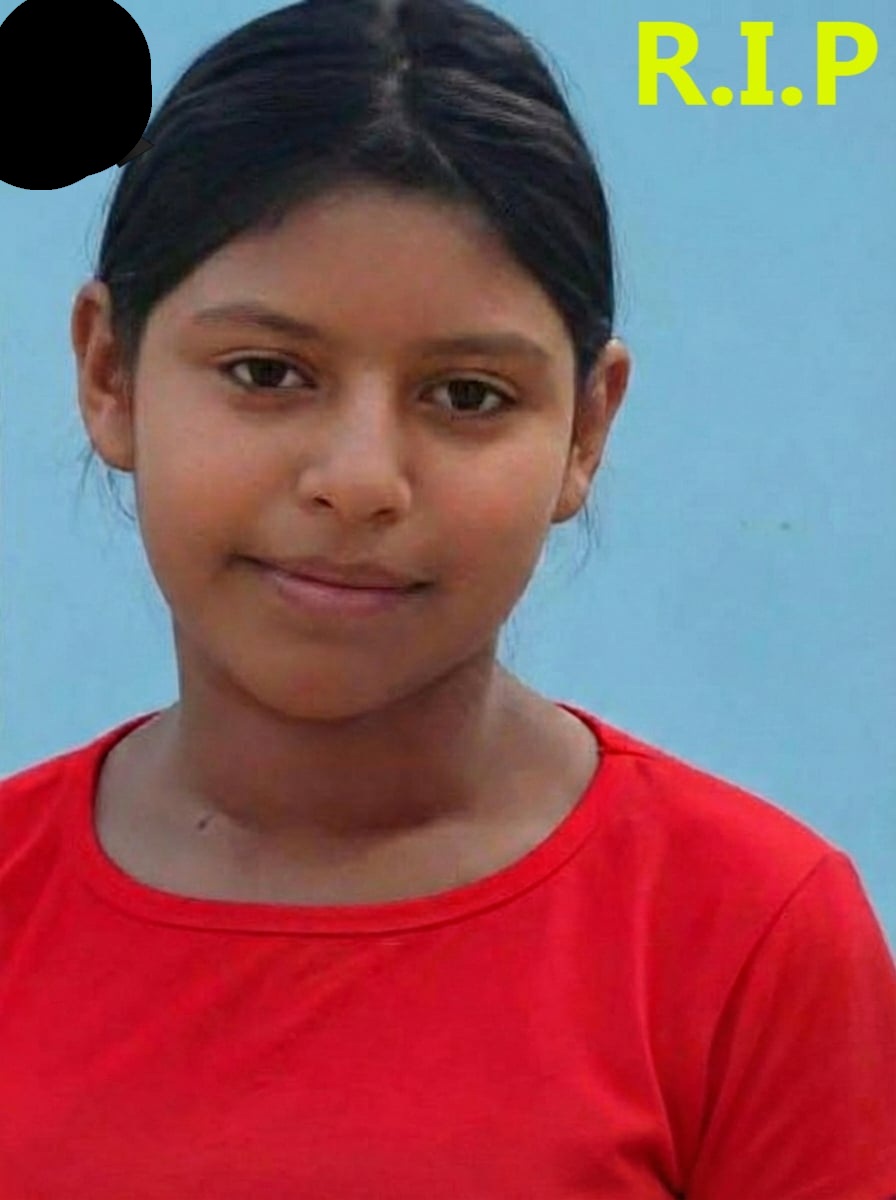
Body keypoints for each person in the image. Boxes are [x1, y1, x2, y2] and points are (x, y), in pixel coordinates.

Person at [1, 1, 894, 1196]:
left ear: (584, 430)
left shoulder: (746, 938)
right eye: (266, 373)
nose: (360, 480)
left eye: (466, 396)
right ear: (109, 373)